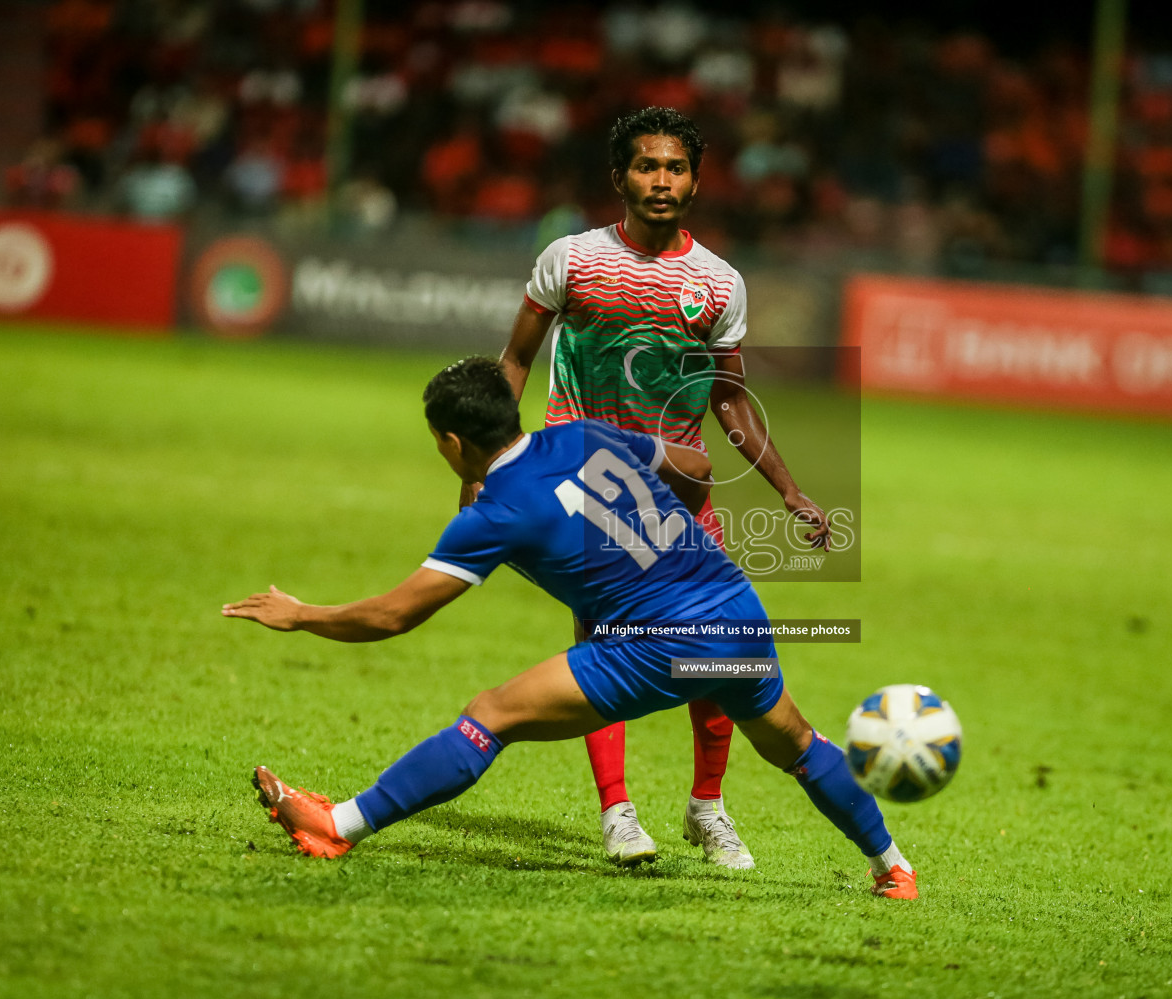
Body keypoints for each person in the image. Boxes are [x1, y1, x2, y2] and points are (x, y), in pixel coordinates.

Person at [223, 358, 917, 900]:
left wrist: (302, 614)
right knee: (796, 744)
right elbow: (700, 466)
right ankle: (894, 867)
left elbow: (394, 614)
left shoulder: (493, 514)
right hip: (734, 609)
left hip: (663, 645)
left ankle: (336, 826)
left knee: (490, 715)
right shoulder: (579, 436)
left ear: (452, 441)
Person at [492, 106, 832, 870]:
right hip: (581, 487)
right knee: (600, 648)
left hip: (679, 493)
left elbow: (730, 397)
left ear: (697, 181)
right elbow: (514, 360)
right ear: (620, 178)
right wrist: (492, 460)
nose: (662, 181)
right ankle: (617, 813)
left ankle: (706, 807)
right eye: (647, 167)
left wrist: (789, 490)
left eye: (676, 168)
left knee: (718, 655)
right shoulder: (572, 260)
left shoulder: (717, 282)